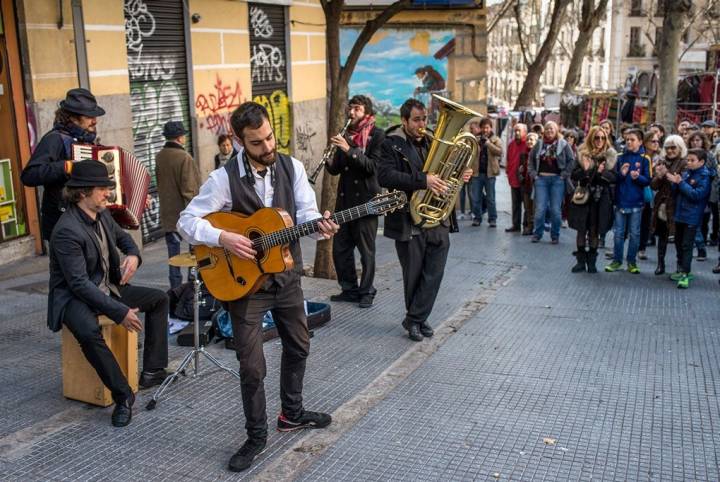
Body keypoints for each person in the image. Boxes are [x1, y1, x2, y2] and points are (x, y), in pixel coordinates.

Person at [177, 102, 338, 473]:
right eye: (257, 143)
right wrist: (224, 238)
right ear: (238, 140)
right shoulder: (222, 179)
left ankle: (292, 414)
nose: (268, 147)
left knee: (299, 346)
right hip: (245, 285)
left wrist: (321, 225)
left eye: (269, 137)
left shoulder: (292, 167)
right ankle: (256, 436)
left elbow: (307, 213)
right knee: (251, 366)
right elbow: (187, 221)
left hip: (285, 277)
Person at [48, 160, 169, 427]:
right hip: (73, 298)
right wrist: (120, 312)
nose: (108, 193)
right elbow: (79, 284)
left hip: (108, 287)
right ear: (82, 193)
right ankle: (123, 395)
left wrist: (134, 256)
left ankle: (152, 370)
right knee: (89, 333)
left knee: (160, 299)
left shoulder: (101, 214)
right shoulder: (67, 231)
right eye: (102, 188)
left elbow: (125, 239)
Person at [377, 98, 472, 342]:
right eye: (417, 120)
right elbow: (385, 176)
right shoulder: (391, 144)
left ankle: (415, 318)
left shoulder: (433, 141)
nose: (422, 124)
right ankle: (417, 320)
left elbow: (448, 173)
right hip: (408, 219)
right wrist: (423, 180)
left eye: (425, 119)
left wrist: (462, 174)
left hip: (437, 218)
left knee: (434, 273)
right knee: (414, 274)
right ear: (405, 121)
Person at [21, 88, 106, 243]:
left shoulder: (87, 140)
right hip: (62, 223)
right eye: (89, 116)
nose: (95, 121)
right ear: (73, 118)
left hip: (87, 221)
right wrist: (66, 167)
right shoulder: (54, 139)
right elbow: (29, 175)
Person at [325, 95, 384, 308]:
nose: (351, 113)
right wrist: (328, 159)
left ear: (366, 112)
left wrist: (349, 149)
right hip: (345, 202)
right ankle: (349, 288)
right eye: (350, 109)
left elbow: (372, 168)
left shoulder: (377, 135)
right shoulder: (346, 135)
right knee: (340, 249)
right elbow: (337, 169)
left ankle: (367, 291)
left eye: (356, 109)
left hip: (367, 202)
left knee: (366, 252)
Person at [155, 121, 200, 289]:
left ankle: (174, 290)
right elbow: (189, 189)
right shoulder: (184, 157)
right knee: (193, 256)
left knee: (173, 257)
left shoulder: (160, 156)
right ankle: (191, 289)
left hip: (168, 214)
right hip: (185, 215)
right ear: (180, 137)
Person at [568, 126, 617, 273]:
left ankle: (592, 262)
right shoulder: (582, 154)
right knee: (581, 229)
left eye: (603, 138)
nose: (600, 141)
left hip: (601, 198)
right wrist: (587, 170)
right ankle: (581, 261)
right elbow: (574, 174)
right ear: (591, 138)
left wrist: (602, 173)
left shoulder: (610, 156)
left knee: (595, 230)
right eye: (597, 137)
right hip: (584, 196)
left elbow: (614, 177)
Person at [605, 128, 651, 273]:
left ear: (640, 142)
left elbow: (648, 180)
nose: (629, 142)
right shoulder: (620, 156)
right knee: (618, 233)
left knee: (634, 233)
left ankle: (631, 262)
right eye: (627, 140)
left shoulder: (645, 158)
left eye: (632, 140)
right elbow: (615, 179)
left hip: (636, 202)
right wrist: (622, 174)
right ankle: (617, 261)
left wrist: (638, 177)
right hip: (620, 201)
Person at [667, 148, 711, 288]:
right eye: (688, 160)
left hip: (692, 216)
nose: (689, 163)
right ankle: (680, 269)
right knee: (679, 243)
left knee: (687, 245)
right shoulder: (686, 174)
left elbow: (696, 195)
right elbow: (677, 192)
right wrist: (675, 182)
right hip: (680, 214)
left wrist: (680, 183)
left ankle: (686, 272)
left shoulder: (704, 177)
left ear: (702, 162)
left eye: (692, 161)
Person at [528, 121, 575, 244]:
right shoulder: (539, 144)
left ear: (556, 131)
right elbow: (531, 160)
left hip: (557, 180)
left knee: (555, 210)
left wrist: (564, 175)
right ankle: (537, 233)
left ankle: (555, 235)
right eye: (547, 129)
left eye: (552, 129)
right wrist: (534, 174)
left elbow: (571, 160)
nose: (549, 131)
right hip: (541, 180)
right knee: (540, 209)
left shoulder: (563, 144)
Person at [650, 135, 687, 275]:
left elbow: (680, 185)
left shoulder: (684, 163)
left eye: (673, 148)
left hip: (677, 204)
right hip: (662, 204)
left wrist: (667, 174)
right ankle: (661, 264)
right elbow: (653, 186)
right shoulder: (661, 161)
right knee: (662, 236)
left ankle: (680, 265)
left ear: (680, 148)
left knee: (678, 237)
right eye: (668, 148)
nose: (670, 150)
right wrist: (659, 176)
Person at [469, 118, 502, 227]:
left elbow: (500, 152)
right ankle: (477, 218)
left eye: (487, 127)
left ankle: (492, 219)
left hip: (490, 173)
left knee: (490, 198)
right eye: (483, 127)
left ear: (490, 128)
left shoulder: (495, 139)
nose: (485, 130)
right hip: (477, 173)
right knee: (476, 197)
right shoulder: (476, 139)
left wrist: (488, 144)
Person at [638, 131, 661, 260]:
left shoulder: (660, 158)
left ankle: (642, 248)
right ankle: (618, 248)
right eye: (653, 141)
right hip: (639, 191)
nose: (656, 144)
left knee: (646, 221)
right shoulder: (640, 156)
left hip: (653, 193)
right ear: (645, 142)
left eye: (657, 141)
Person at [505, 123, 529, 232]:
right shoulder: (511, 144)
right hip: (513, 178)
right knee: (515, 204)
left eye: (519, 130)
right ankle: (516, 224)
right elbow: (509, 160)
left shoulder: (527, 143)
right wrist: (508, 172)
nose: (517, 133)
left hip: (525, 180)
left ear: (525, 131)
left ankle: (526, 225)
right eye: (515, 131)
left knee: (527, 205)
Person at [518, 132, 538, 235]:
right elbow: (520, 169)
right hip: (526, 185)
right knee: (527, 207)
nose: (529, 141)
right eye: (528, 139)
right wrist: (520, 172)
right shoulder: (523, 154)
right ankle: (527, 227)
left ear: (536, 142)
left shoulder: (539, 154)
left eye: (532, 140)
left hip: (536, 185)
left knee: (535, 208)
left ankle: (533, 227)